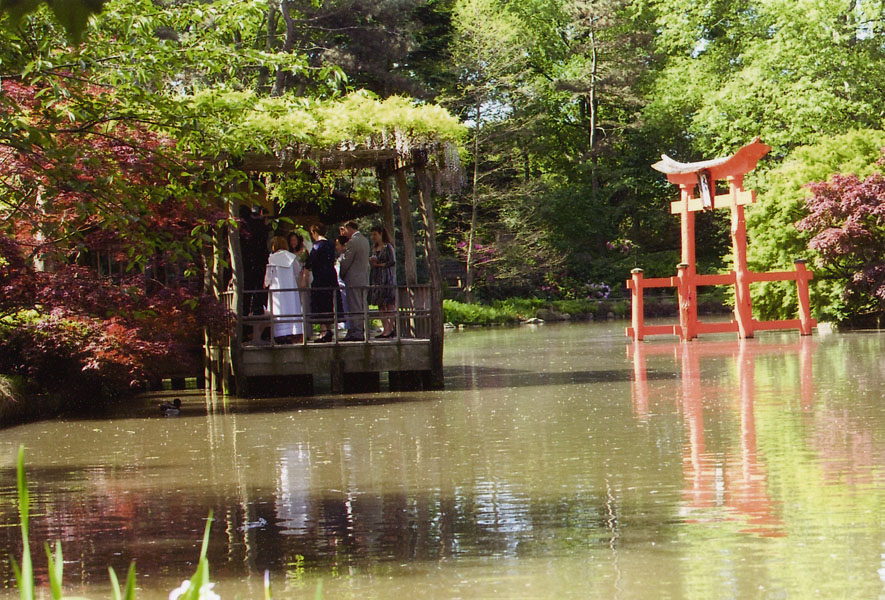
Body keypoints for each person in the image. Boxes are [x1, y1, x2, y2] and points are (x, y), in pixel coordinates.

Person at [304, 223, 340, 343]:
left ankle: (324, 331)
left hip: (320, 277)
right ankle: (328, 329)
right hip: (330, 276)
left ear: (314, 232)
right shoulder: (330, 244)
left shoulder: (317, 246)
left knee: (320, 303)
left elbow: (310, 263)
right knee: (329, 303)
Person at [264, 235, 303, 343]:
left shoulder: (272, 258)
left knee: (279, 309)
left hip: (277, 288)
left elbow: (269, 275)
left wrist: (266, 283)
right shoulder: (290, 257)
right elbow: (297, 270)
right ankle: (293, 332)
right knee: (291, 308)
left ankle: (279, 334)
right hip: (290, 287)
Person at [338, 221, 370, 341]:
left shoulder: (352, 242)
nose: (344, 232)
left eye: (345, 230)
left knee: (354, 306)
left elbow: (346, 261)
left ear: (350, 228)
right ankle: (362, 330)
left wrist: (341, 274)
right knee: (362, 305)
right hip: (363, 278)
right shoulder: (365, 240)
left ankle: (357, 332)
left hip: (353, 279)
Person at [368, 224, 397, 338]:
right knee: (380, 304)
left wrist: (380, 264)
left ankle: (390, 328)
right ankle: (385, 328)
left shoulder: (388, 246)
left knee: (389, 304)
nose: (373, 237)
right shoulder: (374, 247)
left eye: (375, 234)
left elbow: (392, 261)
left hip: (387, 278)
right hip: (376, 278)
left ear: (381, 234)